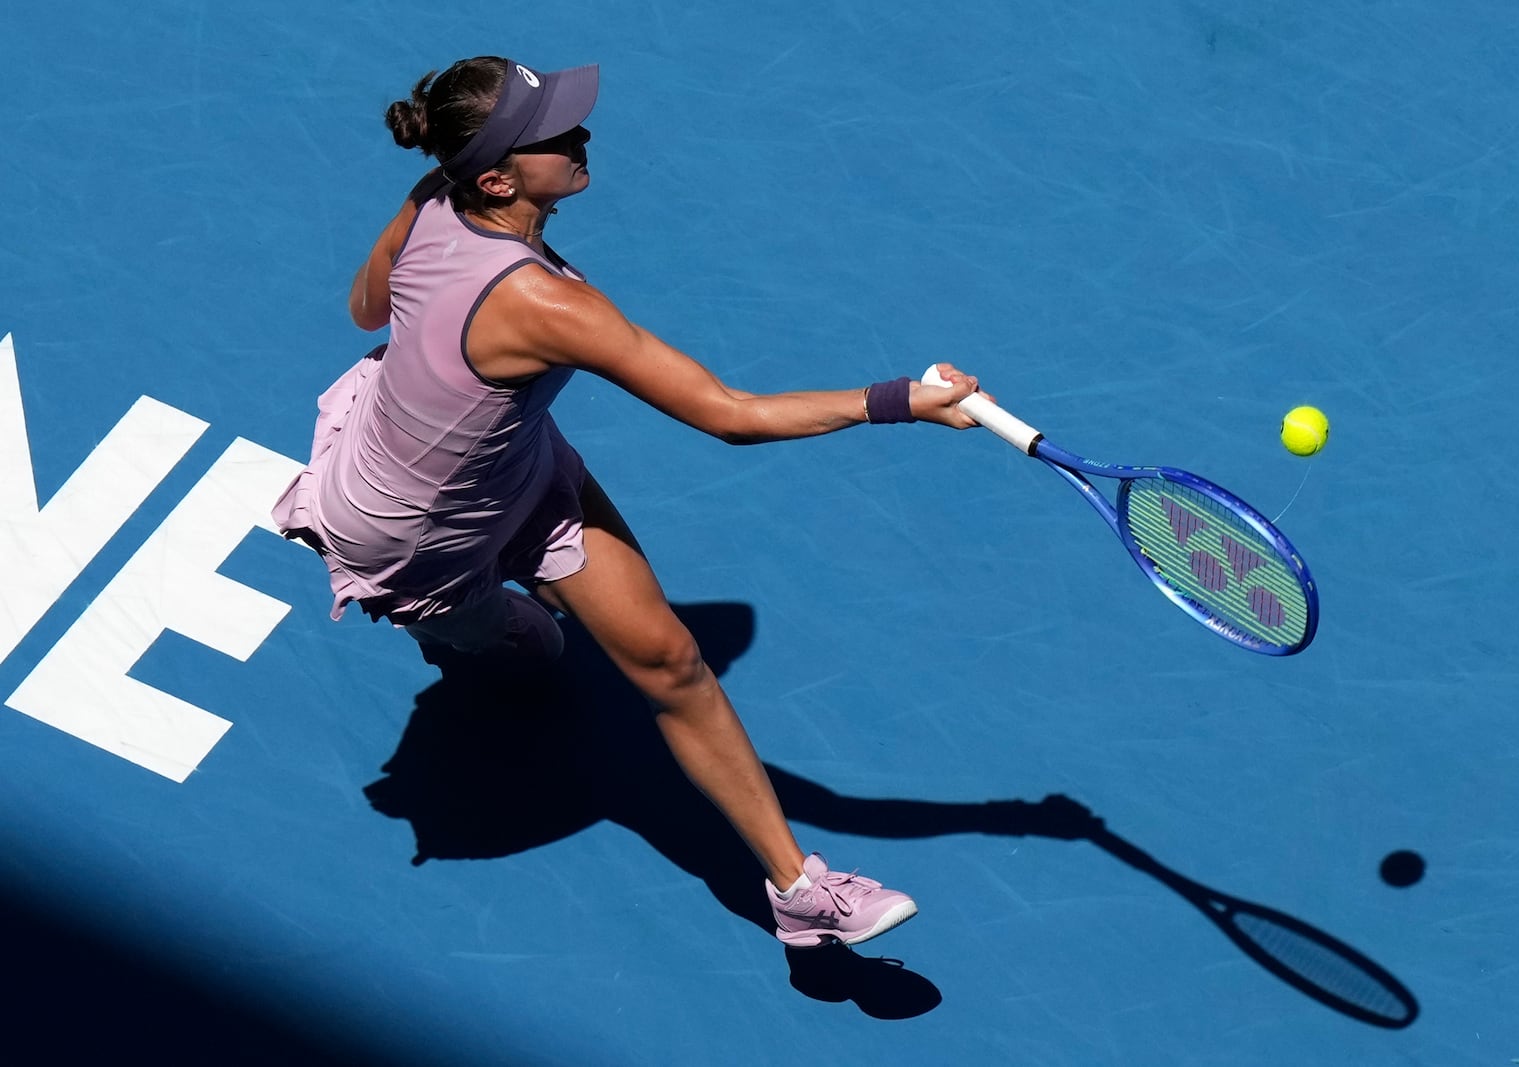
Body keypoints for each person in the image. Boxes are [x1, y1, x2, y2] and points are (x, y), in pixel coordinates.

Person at [272, 54, 985, 949]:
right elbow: (729, 415)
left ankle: (800, 892)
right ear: (499, 176)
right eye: (556, 134)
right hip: (407, 527)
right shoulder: (547, 305)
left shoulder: (433, 196)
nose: (582, 137)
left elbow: (366, 308)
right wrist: (901, 400)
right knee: (527, 655)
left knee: (673, 663)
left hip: (517, 470)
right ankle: (455, 625)